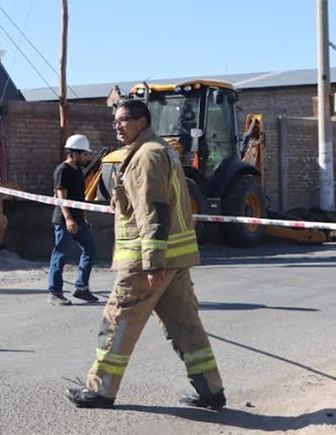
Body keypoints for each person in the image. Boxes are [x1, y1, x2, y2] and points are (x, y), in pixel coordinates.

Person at [65, 100, 226, 410]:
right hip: (173, 261)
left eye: (122, 120)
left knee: (118, 322)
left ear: (141, 121)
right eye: (115, 121)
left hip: (145, 263)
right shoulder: (158, 150)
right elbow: (151, 199)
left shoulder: (146, 155)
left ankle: (100, 391)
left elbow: (154, 210)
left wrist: (152, 262)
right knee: (186, 326)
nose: (117, 125)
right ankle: (210, 390)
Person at [47, 134, 99, 306]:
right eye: (84, 154)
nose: (87, 157)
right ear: (74, 153)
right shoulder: (63, 170)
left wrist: (82, 216)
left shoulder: (78, 171)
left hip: (78, 219)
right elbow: (61, 196)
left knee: (90, 248)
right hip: (64, 220)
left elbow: (79, 197)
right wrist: (69, 219)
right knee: (60, 255)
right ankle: (54, 292)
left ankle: (81, 288)